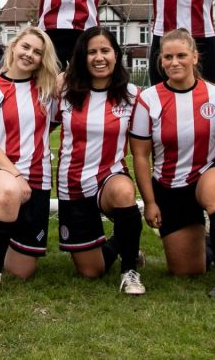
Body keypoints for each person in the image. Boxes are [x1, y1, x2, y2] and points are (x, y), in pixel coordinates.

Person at [130, 28, 215, 297]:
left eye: (181, 55)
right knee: (187, 270)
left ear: (194, 57)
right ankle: (211, 243)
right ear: (161, 60)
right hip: (170, 187)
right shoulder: (148, 100)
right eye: (168, 57)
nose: (174, 62)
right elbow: (141, 156)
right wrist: (151, 202)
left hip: (209, 173)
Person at [56, 27, 145, 295]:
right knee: (91, 272)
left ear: (116, 55)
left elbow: (143, 148)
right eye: (91, 51)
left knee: (123, 191)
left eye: (105, 50)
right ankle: (122, 242)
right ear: (81, 57)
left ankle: (130, 271)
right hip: (72, 184)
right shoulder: (63, 91)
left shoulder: (133, 95)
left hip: (110, 177)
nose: (99, 57)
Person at [0, 27, 60, 294]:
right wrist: (16, 175)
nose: (29, 54)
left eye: (37, 52)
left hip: (38, 177)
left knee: (23, 272)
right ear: (12, 47)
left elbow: (52, 124)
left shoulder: (47, 89)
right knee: (9, 190)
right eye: (25, 47)